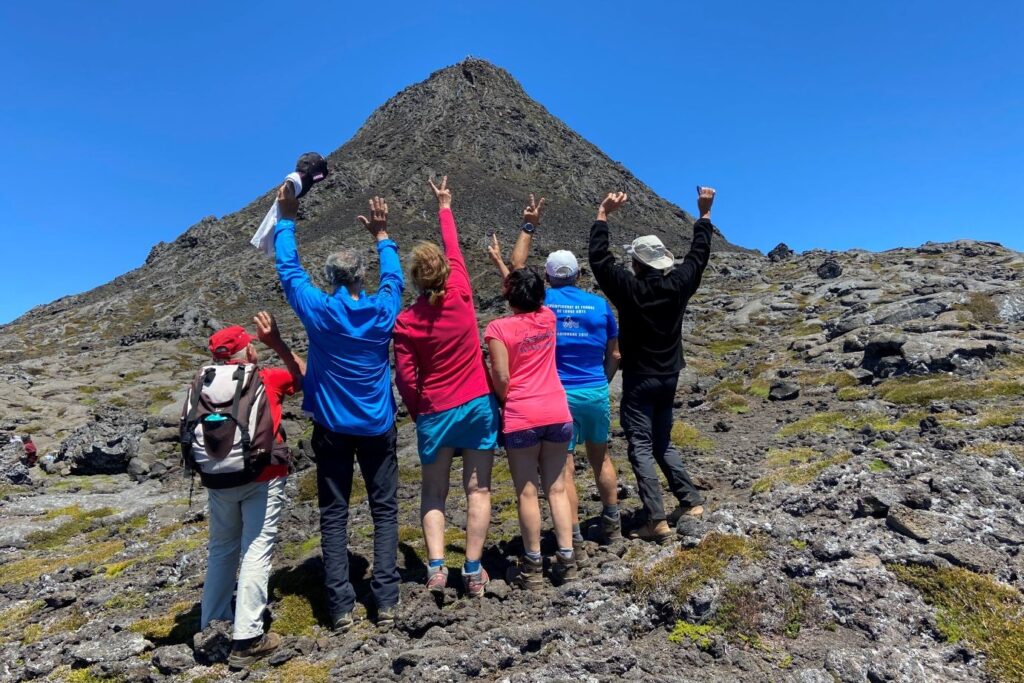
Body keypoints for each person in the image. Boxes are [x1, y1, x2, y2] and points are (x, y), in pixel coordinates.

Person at [273, 182, 404, 630]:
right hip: (376, 425)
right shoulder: (383, 311)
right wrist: (383, 236)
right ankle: (385, 600)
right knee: (384, 509)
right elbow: (394, 280)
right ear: (361, 277)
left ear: (329, 279)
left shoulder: (319, 312)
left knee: (334, 512)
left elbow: (290, 272)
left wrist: (287, 219)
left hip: (331, 428)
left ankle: (341, 608)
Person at [588, 186, 717, 544]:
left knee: (641, 445)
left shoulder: (628, 289)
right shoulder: (678, 284)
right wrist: (704, 215)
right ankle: (690, 501)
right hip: (670, 375)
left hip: (640, 378)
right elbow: (698, 256)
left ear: (636, 263)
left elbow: (599, 260)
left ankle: (656, 520)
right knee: (662, 440)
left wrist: (602, 215)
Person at [497, 195, 623, 557]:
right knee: (601, 457)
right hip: (595, 390)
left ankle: (576, 535)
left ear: (548, 277)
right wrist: (603, 380)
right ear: (579, 275)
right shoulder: (599, 305)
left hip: (557, 397)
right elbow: (614, 353)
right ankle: (612, 522)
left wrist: (529, 224)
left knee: (563, 470)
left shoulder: (545, 305)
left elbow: (516, 267)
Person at [393, 176, 499, 598]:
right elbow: (453, 248)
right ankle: (473, 570)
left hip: (435, 412)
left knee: (434, 492)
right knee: (479, 489)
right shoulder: (461, 294)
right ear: (445, 271)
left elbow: (405, 378)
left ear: (416, 280)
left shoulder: (406, 323)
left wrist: (421, 411)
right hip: (476, 405)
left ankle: (436, 569)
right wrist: (444, 206)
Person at [199, 312, 305, 668]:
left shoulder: (204, 383)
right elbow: (304, 376)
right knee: (256, 550)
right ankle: (247, 638)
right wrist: (278, 345)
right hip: (264, 475)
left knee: (222, 549)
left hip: (218, 478)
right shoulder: (265, 378)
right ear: (248, 352)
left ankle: (211, 628)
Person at [484, 253, 576, 589]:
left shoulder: (497, 329)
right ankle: (567, 559)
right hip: (557, 411)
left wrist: (508, 401)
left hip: (522, 414)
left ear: (509, 296)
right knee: (557, 488)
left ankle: (533, 566)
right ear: (540, 296)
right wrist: (504, 267)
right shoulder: (548, 318)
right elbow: (525, 291)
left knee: (526, 492)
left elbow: (501, 376)